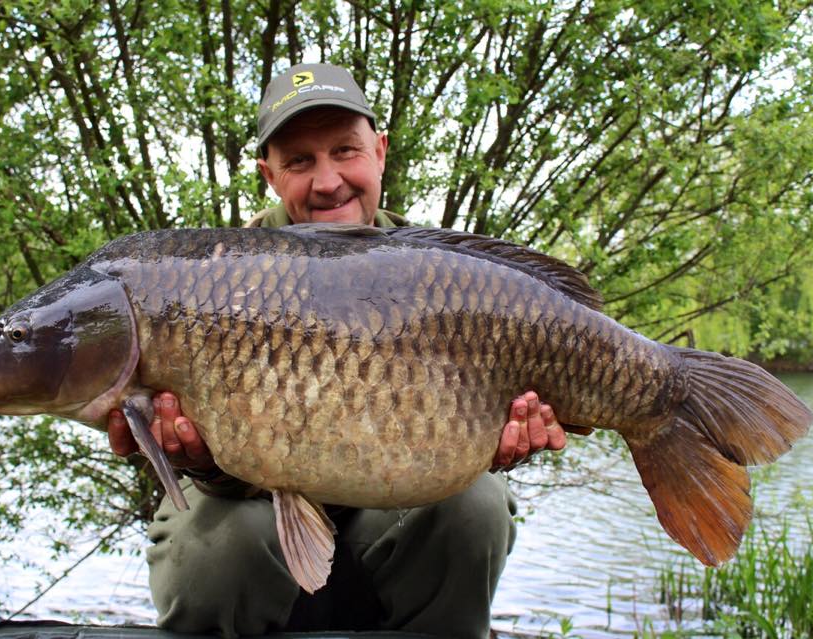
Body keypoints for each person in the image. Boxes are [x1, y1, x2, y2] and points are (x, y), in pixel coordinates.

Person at [106, 63, 568, 638]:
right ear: (268, 175)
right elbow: (215, 466)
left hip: (403, 496)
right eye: (300, 161)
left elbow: (494, 432)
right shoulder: (213, 277)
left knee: (473, 510)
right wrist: (198, 461)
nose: (327, 182)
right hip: (255, 500)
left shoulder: (447, 276)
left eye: (345, 151)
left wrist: (492, 445)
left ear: (380, 151)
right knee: (212, 552)